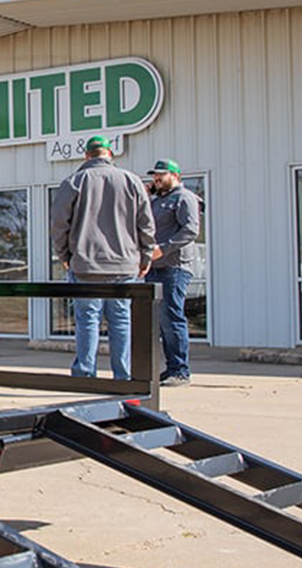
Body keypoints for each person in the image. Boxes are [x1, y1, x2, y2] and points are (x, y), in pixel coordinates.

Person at [51, 136, 156, 379]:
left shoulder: (75, 181)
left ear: (87, 156)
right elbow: (146, 225)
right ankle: (123, 376)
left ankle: (85, 376)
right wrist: (146, 257)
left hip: (86, 265)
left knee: (87, 321)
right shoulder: (132, 181)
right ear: (110, 154)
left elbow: (58, 224)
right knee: (121, 321)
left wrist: (64, 255)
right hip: (125, 265)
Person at [145, 159, 202, 386]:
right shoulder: (155, 200)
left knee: (172, 317)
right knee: (160, 321)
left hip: (174, 267)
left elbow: (190, 230)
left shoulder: (184, 198)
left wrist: (164, 249)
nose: (157, 179)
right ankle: (169, 369)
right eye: (155, 176)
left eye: (162, 175)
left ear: (176, 176)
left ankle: (180, 370)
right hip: (154, 267)